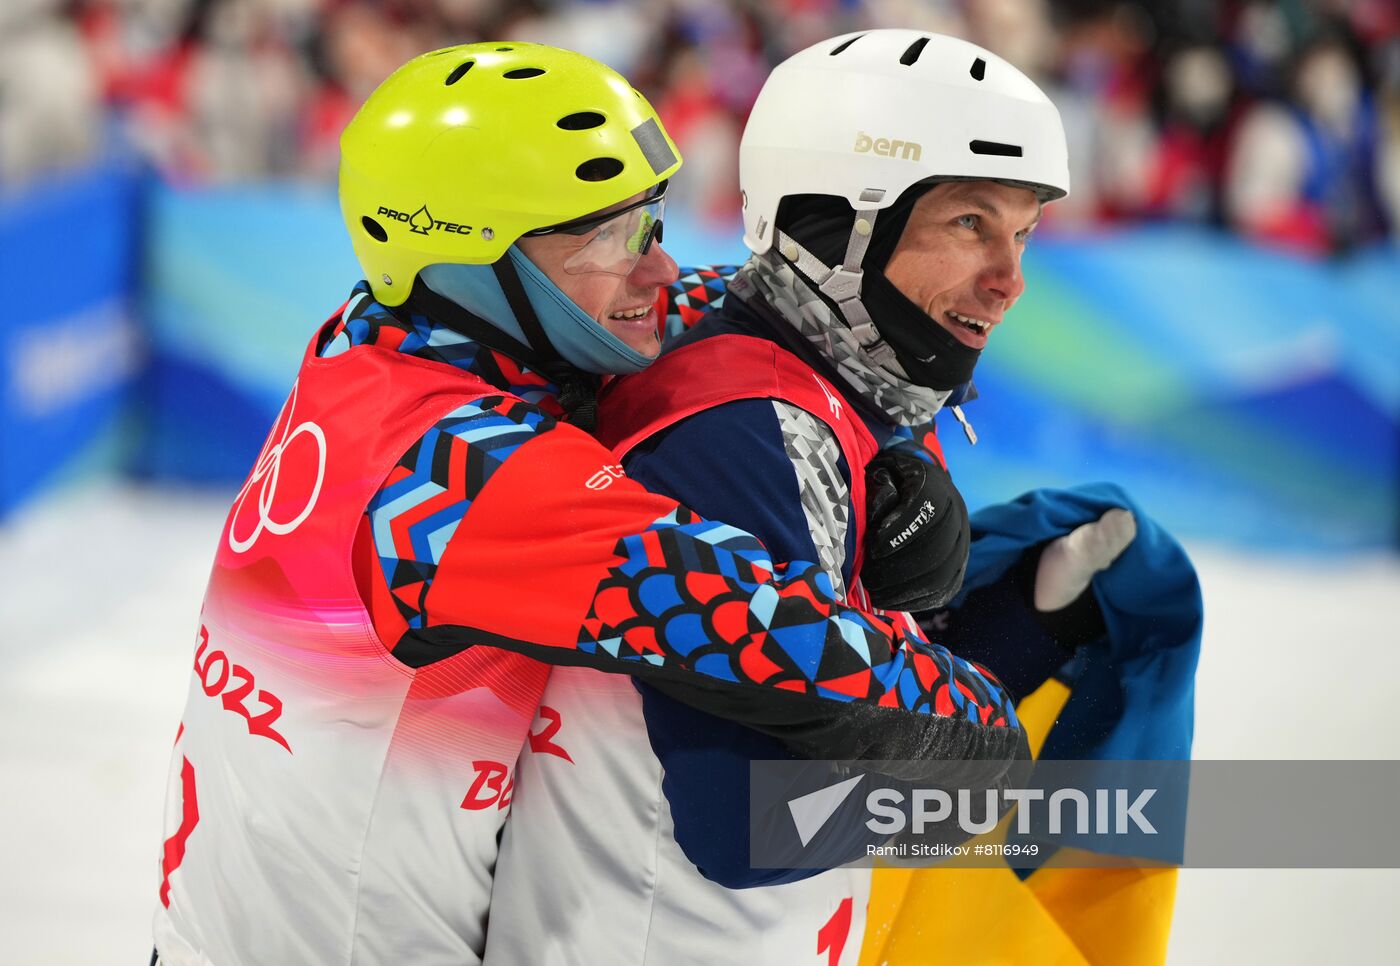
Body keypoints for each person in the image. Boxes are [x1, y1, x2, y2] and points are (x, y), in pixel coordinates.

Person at [151, 42, 1024, 966]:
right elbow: (760, 630)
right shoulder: (460, 484)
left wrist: (879, 438)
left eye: (647, 221)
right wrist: (991, 741)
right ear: (474, 260)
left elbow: (704, 305)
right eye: (603, 238)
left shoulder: (381, 347)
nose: (656, 268)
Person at [486, 30, 1199, 966]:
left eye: (1022, 233)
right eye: (969, 224)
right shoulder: (744, 427)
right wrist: (993, 767)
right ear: (837, 227)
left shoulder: (798, 374)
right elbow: (753, 824)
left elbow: (810, 693)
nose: (1011, 280)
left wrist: (1024, 626)